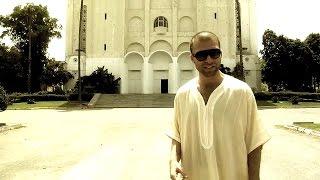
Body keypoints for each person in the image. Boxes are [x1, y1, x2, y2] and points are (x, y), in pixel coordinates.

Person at [167, 31, 270, 180]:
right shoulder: (183, 95)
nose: (209, 60)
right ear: (192, 58)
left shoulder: (241, 92)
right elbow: (176, 139)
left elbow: (254, 145)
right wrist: (173, 161)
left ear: (221, 54)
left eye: (214, 53)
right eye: (201, 55)